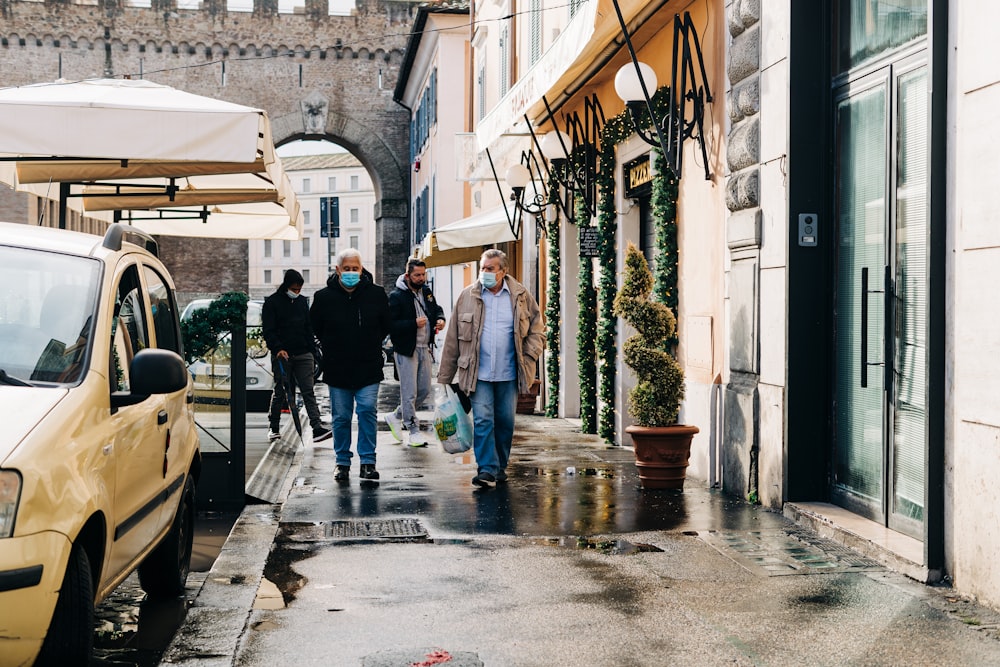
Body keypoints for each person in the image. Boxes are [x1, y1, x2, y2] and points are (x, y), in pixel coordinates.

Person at [436, 249, 544, 488]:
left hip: (509, 372)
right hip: (478, 373)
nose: (484, 273)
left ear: (503, 271)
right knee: (483, 421)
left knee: (505, 422)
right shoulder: (467, 296)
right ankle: (485, 469)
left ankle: (500, 466)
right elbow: (453, 338)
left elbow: (537, 329)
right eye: (482, 268)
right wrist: (444, 377)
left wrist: (529, 353)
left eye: (490, 269)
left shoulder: (520, 296)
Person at [311, 249, 390, 483]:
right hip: (337, 368)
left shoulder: (376, 294)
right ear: (338, 270)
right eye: (347, 269)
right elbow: (315, 326)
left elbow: (386, 324)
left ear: (362, 269)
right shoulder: (323, 297)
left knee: (367, 411)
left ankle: (368, 461)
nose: (351, 273)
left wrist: (371, 342)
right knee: (342, 417)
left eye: (355, 268)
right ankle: (342, 462)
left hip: (368, 366)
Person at [261, 269, 331, 444]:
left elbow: (308, 327)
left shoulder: (301, 303)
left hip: (303, 352)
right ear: (286, 286)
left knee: (308, 391)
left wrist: (312, 351)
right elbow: (269, 330)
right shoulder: (272, 303)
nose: (297, 292)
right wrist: (277, 348)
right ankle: (274, 427)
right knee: (280, 391)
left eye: (299, 289)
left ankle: (316, 427)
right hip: (282, 355)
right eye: (294, 288)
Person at [386, 258, 446, 446]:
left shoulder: (426, 292)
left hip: (424, 348)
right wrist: (413, 323)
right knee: (409, 392)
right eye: (417, 275)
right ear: (407, 276)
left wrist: (440, 319)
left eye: (423, 274)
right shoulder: (396, 296)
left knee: (424, 389)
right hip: (406, 350)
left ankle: (396, 415)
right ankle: (412, 429)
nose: (421, 278)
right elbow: (390, 325)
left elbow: (436, 309)